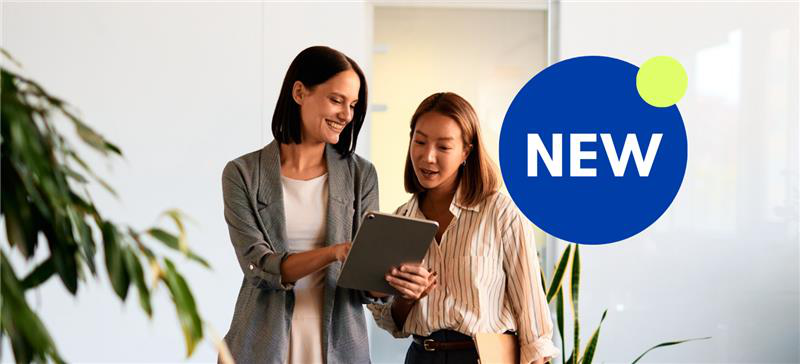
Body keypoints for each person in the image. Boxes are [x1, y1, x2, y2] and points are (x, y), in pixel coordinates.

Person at [368, 92, 559, 364]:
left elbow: (534, 323)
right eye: (419, 141)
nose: (428, 156)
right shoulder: (401, 219)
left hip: (484, 357)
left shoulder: (499, 212)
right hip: (422, 357)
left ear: (466, 152)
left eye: (443, 147)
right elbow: (394, 323)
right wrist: (407, 298)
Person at [221, 46, 381, 364]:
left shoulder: (362, 175)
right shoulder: (242, 173)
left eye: (352, 105)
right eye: (336, 100)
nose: (347, 115)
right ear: (299, 92)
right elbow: (258, 267)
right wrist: (334, 252)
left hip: (341, 347)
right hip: (261, 345)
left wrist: (391, 281)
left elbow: (366, 283)